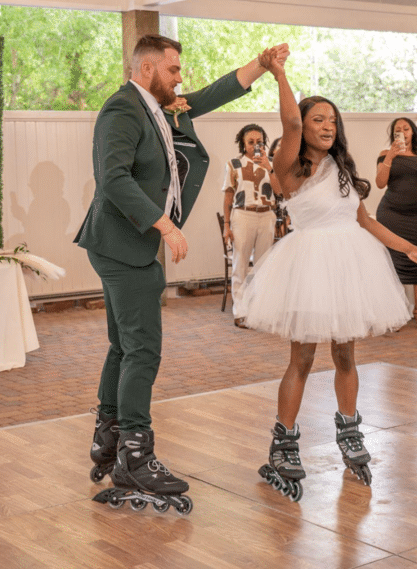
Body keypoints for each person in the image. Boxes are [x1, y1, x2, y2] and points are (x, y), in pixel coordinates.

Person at [75, 34, 287, 512]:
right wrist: (165, 225)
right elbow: (113, 178)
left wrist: (262, 64)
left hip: (125, 244)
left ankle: (107, 437)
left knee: (124, 345)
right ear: (147, 69)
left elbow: (212, 93)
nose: (180, 78)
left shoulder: (159, 108)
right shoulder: (123, 110)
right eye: (173, 70)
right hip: (124, 244)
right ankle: (134, 453)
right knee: (143, 348)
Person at [239, 47, 417, 499]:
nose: (327, 126)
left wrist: (412, 249)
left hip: (349, 267)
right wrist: (278, 74)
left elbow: (364, 221)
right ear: (303, 128)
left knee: (346, 356)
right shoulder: (291, 166)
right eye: (318, 120)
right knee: (303, 359)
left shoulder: (341, 167)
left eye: (332, 120)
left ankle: (349, 430)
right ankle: (283, 443)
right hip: (309, 266)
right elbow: (288, 122)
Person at [376, 117, 417, 330]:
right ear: (393, 134)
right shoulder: (384, 154)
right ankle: (394, 315)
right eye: (398, 129)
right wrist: (390, 157)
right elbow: (379, 183)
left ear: (413, 132)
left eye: (406, 128)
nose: (403, 132)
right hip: (391, 215)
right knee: (392, 263)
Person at [222, 123, 281, 327]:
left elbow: (280, 190)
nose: (255, 145)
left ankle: (259, 311)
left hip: (267, 216)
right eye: (251, 142)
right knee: (240, 265)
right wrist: (226, 225)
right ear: (243, 144)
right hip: (243, 215)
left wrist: (269, 167)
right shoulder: (233, 164)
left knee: (263, 266)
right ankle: (240, 312)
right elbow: (228, 195)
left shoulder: (272, 163)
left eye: (259, 142)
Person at [268, 136, 292, 239]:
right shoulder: (264, 168)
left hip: (289, 218)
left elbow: (297, 197)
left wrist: (288, 220)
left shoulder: (294, 169)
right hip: (267, 218)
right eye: (280, 146)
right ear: (273, 150)